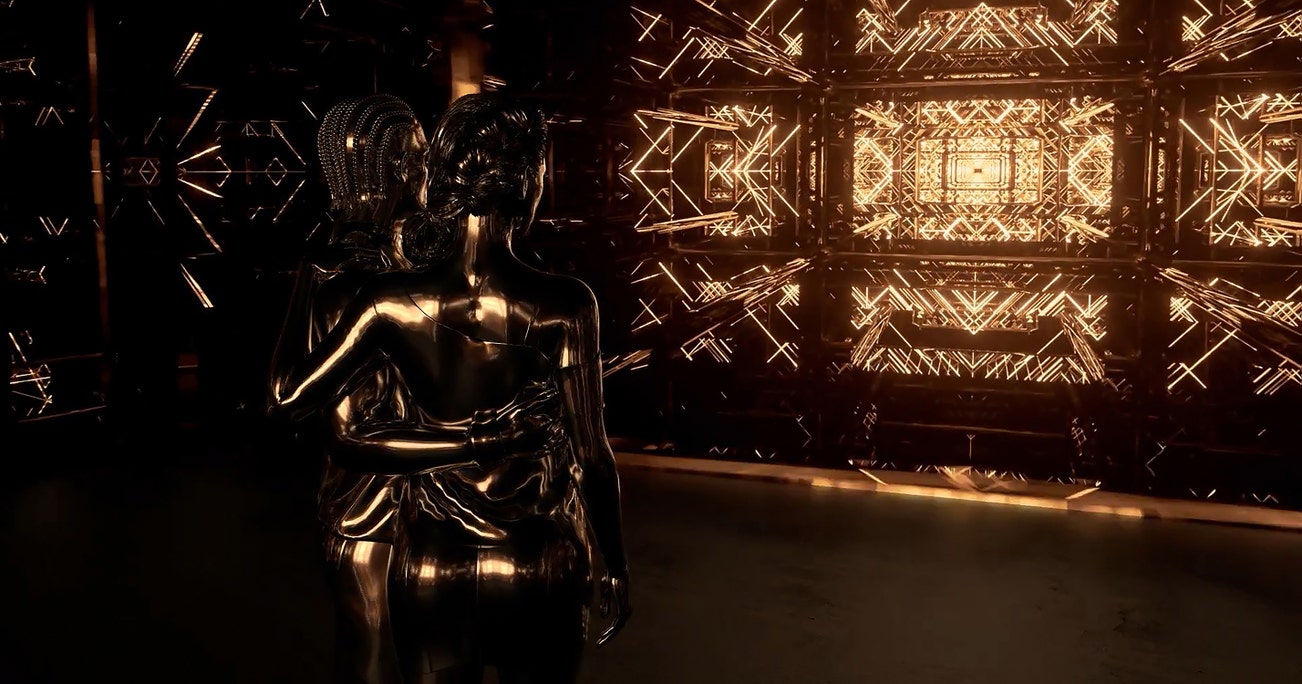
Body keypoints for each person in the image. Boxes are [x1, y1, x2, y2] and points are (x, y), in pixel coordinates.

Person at [271, 93, 631, 683]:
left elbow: (292, 401)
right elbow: (592, 454)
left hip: (428, 562)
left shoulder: (388, 299)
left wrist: (308, 278)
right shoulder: (565, 303)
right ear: (527, 181)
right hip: (535, 557)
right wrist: (613, 561)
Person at [270, 93, 435, 684]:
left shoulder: (405, 260)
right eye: (417, 157)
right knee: (373, 651)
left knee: (422, 653)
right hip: (367, 506)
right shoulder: (343, 275)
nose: (427, 171)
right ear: (393, 166)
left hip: (426, 498)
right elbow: (293, 398)